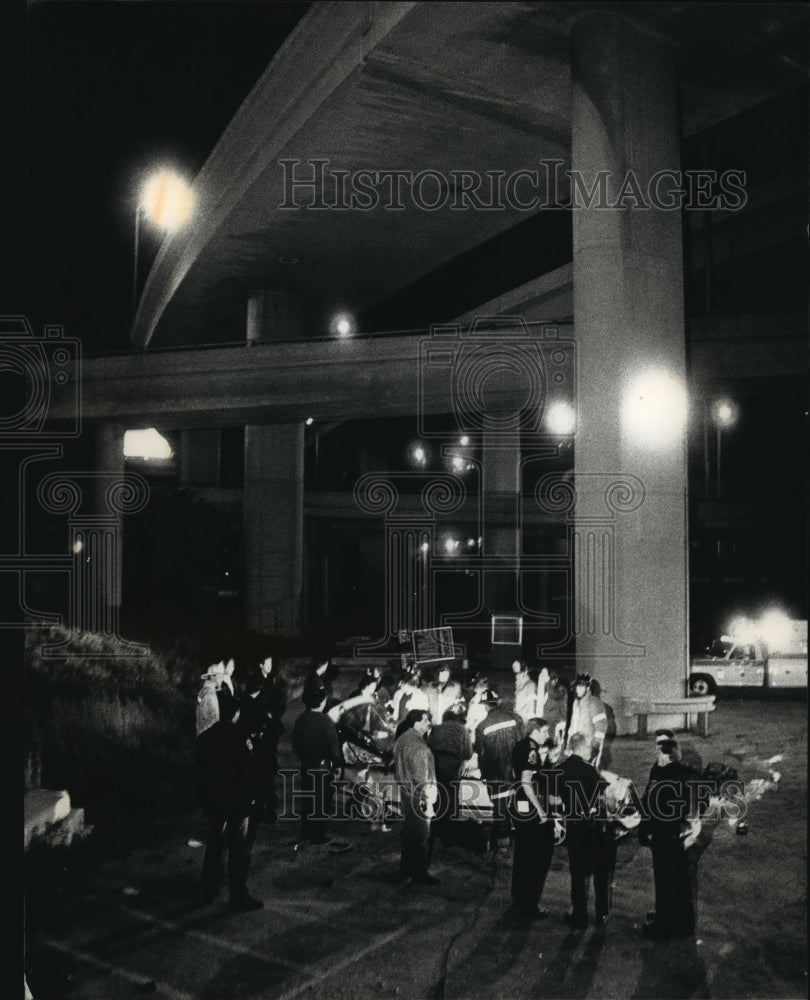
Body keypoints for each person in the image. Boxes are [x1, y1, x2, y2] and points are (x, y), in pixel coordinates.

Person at [194, 694, 263, 911]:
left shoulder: (204, 738)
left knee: (214, 845)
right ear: (236, 713)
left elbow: (199, 772)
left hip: (215, 800)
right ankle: (238, 894)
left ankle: (208, 888)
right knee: (237, 849)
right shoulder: (240, 737)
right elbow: (250, 770)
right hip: (237, 801)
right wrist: (253, 798)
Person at [638, 734, 704, 940]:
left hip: (667, 834)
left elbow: (651, 803)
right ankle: (683, 922)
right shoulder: (676, 772)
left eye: (657, 750)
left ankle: (664, 926)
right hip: (675, 833)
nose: (654, 753)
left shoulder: (669, 774)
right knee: (680, 880)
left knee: (665, 880)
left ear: (666, 754)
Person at [510, 717, 562, 918]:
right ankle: (530, 904)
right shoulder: (530, 750)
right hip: (531, 810)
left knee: (523, 854)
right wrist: (540, 810)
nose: (546, 735)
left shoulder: (522, 746)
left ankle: (520, 898)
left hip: (522, 808)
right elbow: (526, 781)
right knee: (538, 857)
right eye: (544, 731)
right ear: (535, 731)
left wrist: (549, 761)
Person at [559, 732, 612, 930]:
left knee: (577, 871)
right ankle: (602, 913)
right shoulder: (590, 770)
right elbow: (604, 796)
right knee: (600, 869)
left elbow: (554, 798)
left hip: (574, 825)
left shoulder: (561, 769)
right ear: (580, 748)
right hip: (594, 825)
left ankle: (579, 915)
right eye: (588, 747)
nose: (590, 750)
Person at [393, 708, 440, 885]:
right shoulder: (420, 748)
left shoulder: (402, 740)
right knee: (421, 836)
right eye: (426, 720)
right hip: (419, 797)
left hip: (406, 793)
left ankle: (406, 871)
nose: (429, 724)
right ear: (417, 723)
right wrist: (428, 801)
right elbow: (423, 779)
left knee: (409, 834)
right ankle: (420, 873)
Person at [291, 682, 341, 844]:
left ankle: (307, 831)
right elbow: (334, 745)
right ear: (322, 702)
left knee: (308, 799)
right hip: (323, 766)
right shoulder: (326, 721)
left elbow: (295, 742)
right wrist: (337, 764)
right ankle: (318, 834)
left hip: (306, 764)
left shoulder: (301, 719)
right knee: (321, 801)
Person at [474, 689, 524, 852]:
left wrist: (483, 774)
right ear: (497, 703)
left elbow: (482, 754)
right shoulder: (513, 719)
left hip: (495, 774)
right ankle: (525, 838)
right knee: (517, 804)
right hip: (514, 772)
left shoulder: (481, 727)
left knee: (500, 808)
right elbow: (521, 741)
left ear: (485, 707)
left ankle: (503, 846)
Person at [427, 707, 473, 845]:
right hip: (453, 763)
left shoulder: (436, 729)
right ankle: (448, 835)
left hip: (435, 761)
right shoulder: (462, 729)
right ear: (455, 719)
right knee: (451, 797)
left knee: (436, 794)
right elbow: (468, 753)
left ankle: (434, 830)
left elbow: (428, 744)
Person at [251, 655, 288, 822]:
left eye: (272, 663)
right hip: (262, 733)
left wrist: (273, 715)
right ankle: (265, 808)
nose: (270, 665)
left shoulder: (272, 682)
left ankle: (266, 808)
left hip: (270, 732)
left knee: (267, 772)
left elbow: (278, 703)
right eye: (267, 663)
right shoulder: (257, 682)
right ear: (261, 665)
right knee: (262, 773)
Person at [567, 673, 607, 765]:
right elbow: (572, 726)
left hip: (588, 748)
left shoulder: (594, 703)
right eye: (577, 687)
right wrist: (568, 745)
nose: (578, 690)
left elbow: (601, 727)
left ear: (588, 688)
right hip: (576, 747)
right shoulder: (576, 703)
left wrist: (595, 748)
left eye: (581, 687)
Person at [196, 661, 224, 737]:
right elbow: (208, 720)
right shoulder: (209, 694)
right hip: (207, 737)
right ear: (213, 677)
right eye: (220, 677)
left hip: (203, 736)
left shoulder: (205, 690)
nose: (222, 679)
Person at [543, 671, 569, 746]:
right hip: (549, 718)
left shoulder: (561, 689)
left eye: (552, 681)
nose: (552, 683)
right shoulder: (548, 689)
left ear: (556, 680)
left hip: (558, 718)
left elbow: (553, 694)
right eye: (550, 681)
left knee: (552, 737)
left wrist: (547, 682)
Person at [216, 657, 237, 722]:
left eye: (233, 666)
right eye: (230, 666)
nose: (233, 668)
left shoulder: (233, 681)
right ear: (224, 666)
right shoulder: (220, 684)